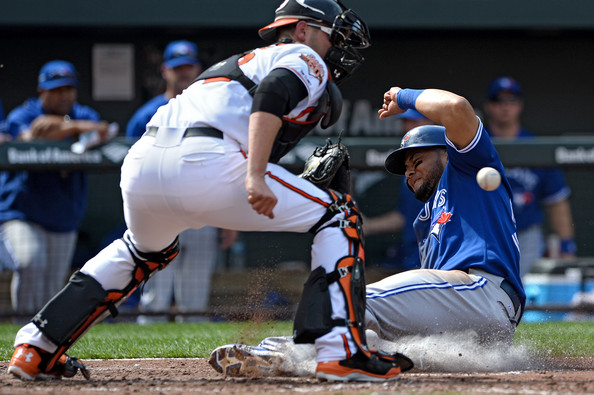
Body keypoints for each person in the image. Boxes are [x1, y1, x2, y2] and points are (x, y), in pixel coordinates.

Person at [7, 0, 404, 383]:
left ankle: (37, 345)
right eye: (331, 36)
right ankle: (339, 350)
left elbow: (256, 111)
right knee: (339, 214)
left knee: (140, 251)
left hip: (144, 163)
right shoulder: (304, 55)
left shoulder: (232, 65)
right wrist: (255, 176)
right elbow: (272, 94)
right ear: (302, 29)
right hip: (207, 161)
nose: (335, 47)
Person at [209, 86, 526, 377]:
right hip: (475, 327)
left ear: (448, 152)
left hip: (481, 291)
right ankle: (337, 357)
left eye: (418, 159)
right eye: (405, 168)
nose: (410, 170)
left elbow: (456, 107)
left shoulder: (467, 167)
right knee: (365, 335)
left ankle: (276, 353)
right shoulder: (425, 221)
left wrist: (402, 96)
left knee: (348, 299)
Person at [126, 40, 237, 322]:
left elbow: (224, 162)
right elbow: (130, 167)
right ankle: (147, 353)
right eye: (178, 68)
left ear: (199, 70)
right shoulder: (147, 114)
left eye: (189, 67)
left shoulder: (212, 111)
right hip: (159, 209)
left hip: (201, 207)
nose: (184, 74)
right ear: (165, 71)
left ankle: (191, 364)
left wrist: (227, 218)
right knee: (156, 293)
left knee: (195, 296)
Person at [0, 60, 113, 316]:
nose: (64, 95)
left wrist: (66, 126)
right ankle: (25, 330)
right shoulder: (24, 113)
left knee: (53, 284)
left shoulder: (83, 114)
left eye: (68, 89)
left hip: (63, 214)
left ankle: (44, 343)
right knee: (31, 262)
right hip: (22, 212)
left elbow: (101, 131)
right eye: (56, 90)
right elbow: (29, 138)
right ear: (42, 90)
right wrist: (69, 131)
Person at [483, 76, 576, 276]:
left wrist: (567, 244)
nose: (505, 107)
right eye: (498, 101)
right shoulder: (476, 145)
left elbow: (556, 201)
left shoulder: (535, 145)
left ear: (520, 105)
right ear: (489, 106)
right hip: (485, 231)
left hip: (525, 232)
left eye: (511, 101)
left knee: (523, 293)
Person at [363, 110, 435, 272]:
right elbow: (405, 216)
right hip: (414, 258)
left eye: (415, 122)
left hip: (439, 260)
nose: (408, 127)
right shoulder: (411, 168)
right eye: (406, 122)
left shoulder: (447, 164)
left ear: (433, 123)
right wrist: (367, 226)